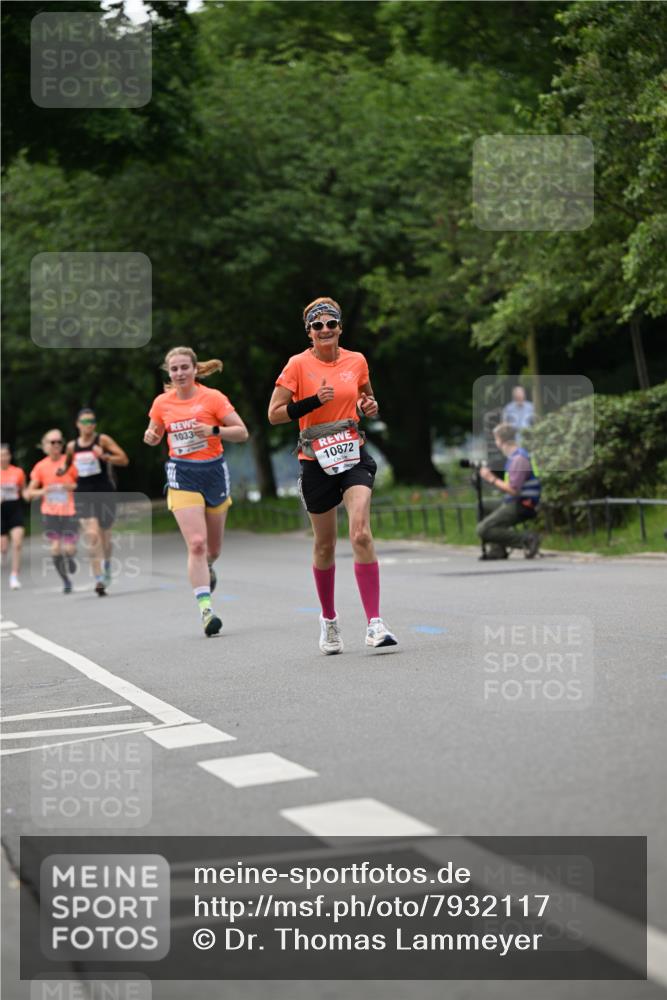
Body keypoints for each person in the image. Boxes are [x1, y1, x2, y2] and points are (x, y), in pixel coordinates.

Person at [268, 296, 397, 655]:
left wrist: (368, 406)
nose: (325, 330)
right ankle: (329, 620)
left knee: (360, 533)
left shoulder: (356, 361)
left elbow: (367, 400)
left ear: (340, 327)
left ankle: (375, 623)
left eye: (330, 324)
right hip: (315, 460)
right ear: (309, 332)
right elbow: (274, 414)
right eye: (317, 325)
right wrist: (312, 403)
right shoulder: (297, 365)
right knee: (325, 545)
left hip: (352, 453)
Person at [143, 346, 249, 637]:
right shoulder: (162, 403)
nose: (179, 373)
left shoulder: (212, 398)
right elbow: (153, 435)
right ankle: (206, 610)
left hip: (214, 472)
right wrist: (151, 437)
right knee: (198, 544)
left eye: (184, 368)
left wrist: (214, 431)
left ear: (194, 369)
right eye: (174, 369)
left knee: (213, 550)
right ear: (169, 372)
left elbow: (242, 432)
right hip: (182, 474)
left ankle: (209, 566)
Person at [60, 408, 129, 596]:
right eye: (84, 422)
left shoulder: (102, 440)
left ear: (95, 424)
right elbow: (66, 463)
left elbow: (123, 459)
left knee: (105, 536)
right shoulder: (72, 446)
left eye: (91, 421)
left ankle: (106, 566)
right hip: (83, 492)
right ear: (77, 424)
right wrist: (62, 471)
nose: (87, 425)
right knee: (92, 535)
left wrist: (104, 456)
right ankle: (98, 578)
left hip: (104, 491)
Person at [477, 423, 541, 559]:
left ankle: (527, 540)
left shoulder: (519, 459)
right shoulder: (514, 457)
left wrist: (491, 478)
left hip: (522, 504)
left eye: (495, 439)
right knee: (482, 505)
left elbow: (513, 490)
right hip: (514, 501)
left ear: (500, 440)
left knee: (483, 529)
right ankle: (497, 549)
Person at [26, 431, 79, 593]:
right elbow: (29, 493)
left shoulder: (70, 462)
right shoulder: (40, 467)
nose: (56, 445)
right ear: (45, 446)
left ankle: (69, 558)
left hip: (70, 511)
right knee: (55, 548)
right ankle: (66, 580)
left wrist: (69, 487)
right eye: (52, 442)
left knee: (69, 549)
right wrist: (44, 491)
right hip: (50, 513)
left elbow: (83, 485)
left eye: (59, 442)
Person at [1, 444, 28, 589]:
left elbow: (23, 490)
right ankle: (2, 553)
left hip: (15, 509)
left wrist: (27, 495)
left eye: (6, 454)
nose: (3, 458)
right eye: (1, 455)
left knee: (17, 543)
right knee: (3, 546)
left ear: (10, 456)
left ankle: (14, 576)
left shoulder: (18, 472)